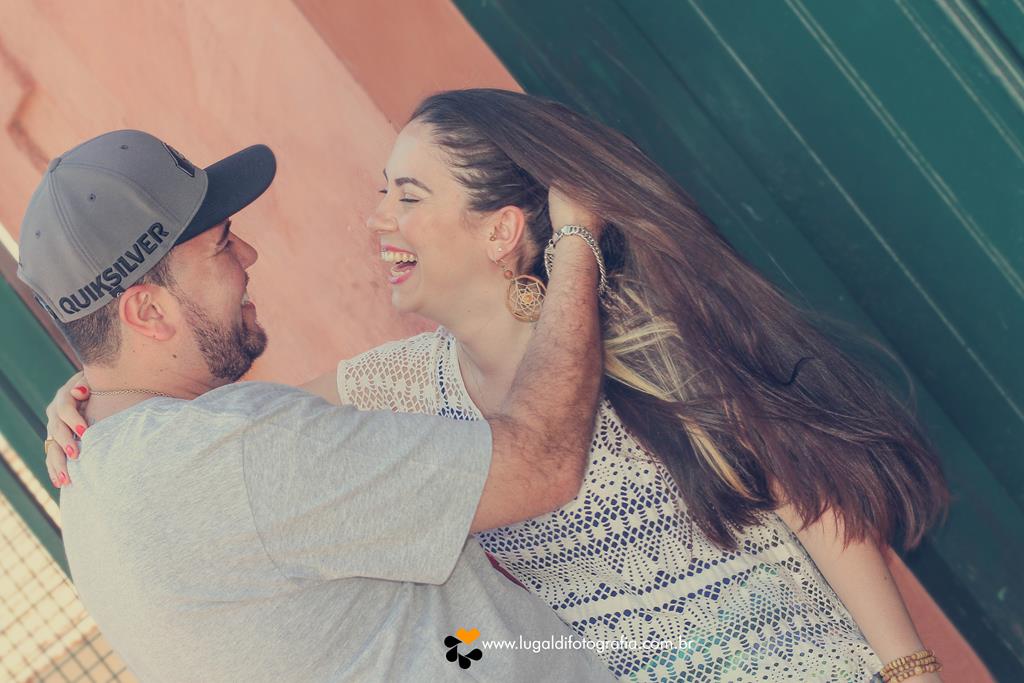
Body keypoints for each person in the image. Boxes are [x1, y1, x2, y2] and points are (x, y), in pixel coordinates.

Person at [46, 90, 949, 683]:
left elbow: (811, 494)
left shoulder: (638, 336)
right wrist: (94, 397)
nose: (377, 219)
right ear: (147, 312)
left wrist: (906, 667)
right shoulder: (394, 389)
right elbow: (224, 427)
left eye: (406, 194)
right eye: (383, 192)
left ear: (501, 229)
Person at [22, 129, 617, 681]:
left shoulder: (95, 473)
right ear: (148, 312)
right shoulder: (229, 454)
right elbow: (541, 464)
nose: (249, 256)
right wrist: (576, 239)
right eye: (222, 245)